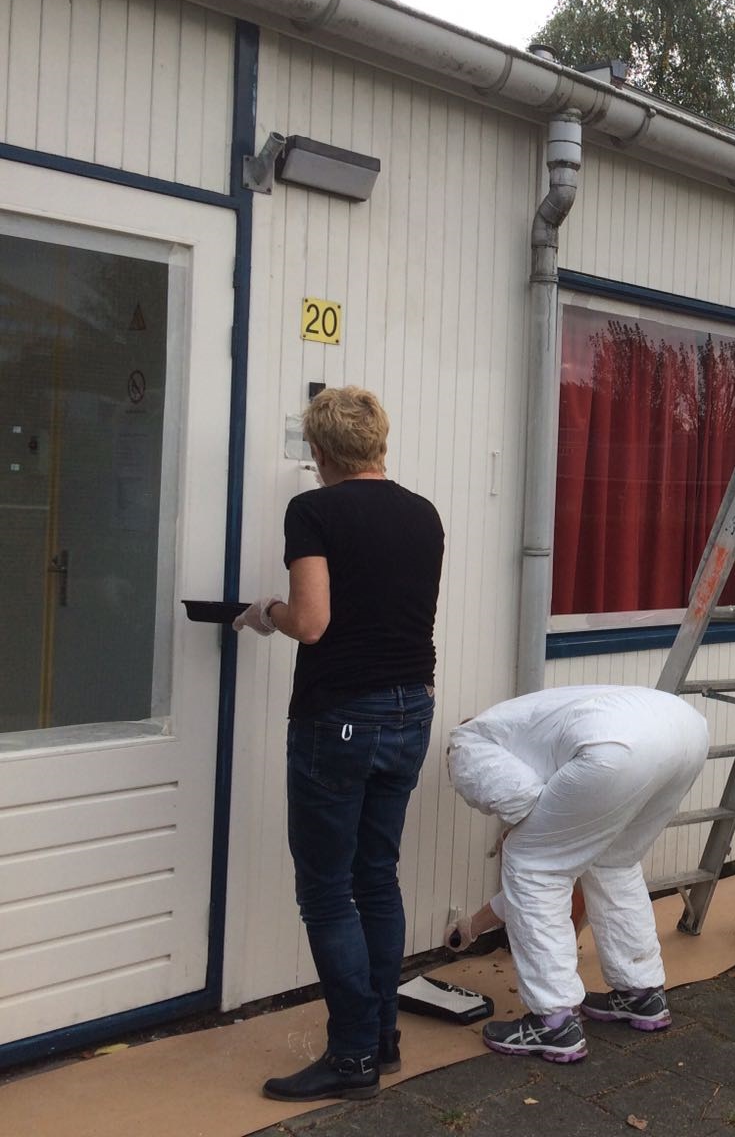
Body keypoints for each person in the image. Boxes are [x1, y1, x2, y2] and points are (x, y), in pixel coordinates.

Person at [234, 387, 444, 1103]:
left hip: (341, 716)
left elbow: (314, 622)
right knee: (376, 876)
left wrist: (266, 613)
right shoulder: (423, 514)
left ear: (320, 453)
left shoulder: (314, 510)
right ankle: (380, 1038)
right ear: (380, 443)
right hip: (412, 706)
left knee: (327, 892)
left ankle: (352, 1058)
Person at [447, 685, 710, 1063]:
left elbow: (522, 809)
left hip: (618, 746)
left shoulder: (466, 743)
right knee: (613, 860)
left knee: (532, 866)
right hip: (686, 730)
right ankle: (641, 994)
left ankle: (552, 1023)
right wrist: (473, 926)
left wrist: (520, 835)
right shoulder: (530, 724)